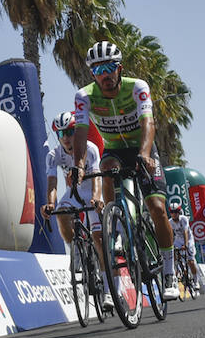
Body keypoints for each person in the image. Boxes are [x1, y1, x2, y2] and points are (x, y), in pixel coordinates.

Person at [69, 40, 178, 299]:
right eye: (97, 70)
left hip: (142, 147)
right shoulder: (84, 96)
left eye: (109, 67)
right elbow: (81, 134)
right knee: (105, 167)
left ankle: (170, 273)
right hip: (115, 149)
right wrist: (79, 166)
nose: (104, 74)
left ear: (120, 69)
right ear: (92, 74)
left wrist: (144, 154)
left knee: (158, 209)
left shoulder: (137, 87)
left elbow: (148, 123)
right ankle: (114, 222)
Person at [43, 111, 112, 313]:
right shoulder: (53, 155)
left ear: (77, 132)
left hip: (92, 189)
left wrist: (97, 197)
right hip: (74, 192)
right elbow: (52, 182)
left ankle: (108, 290)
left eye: (70, 131)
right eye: (61, 133)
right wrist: (49, 203)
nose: (65, 137)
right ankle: (75, 248)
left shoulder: (89, 149)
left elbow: (97, 176)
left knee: (98, 238)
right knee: (61, 214)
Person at [168, 203, 198, 297]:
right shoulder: (170, 222)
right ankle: (178, 272)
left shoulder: (184, 219)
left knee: (191, 261)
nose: (174, 214)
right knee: (174, 257)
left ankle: (196, 281)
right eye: (172, 212)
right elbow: (171, 235)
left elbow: (185, 232)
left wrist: (185, 245)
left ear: (179, 212)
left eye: (176, 212)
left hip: (188, 239)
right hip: (178, 240)